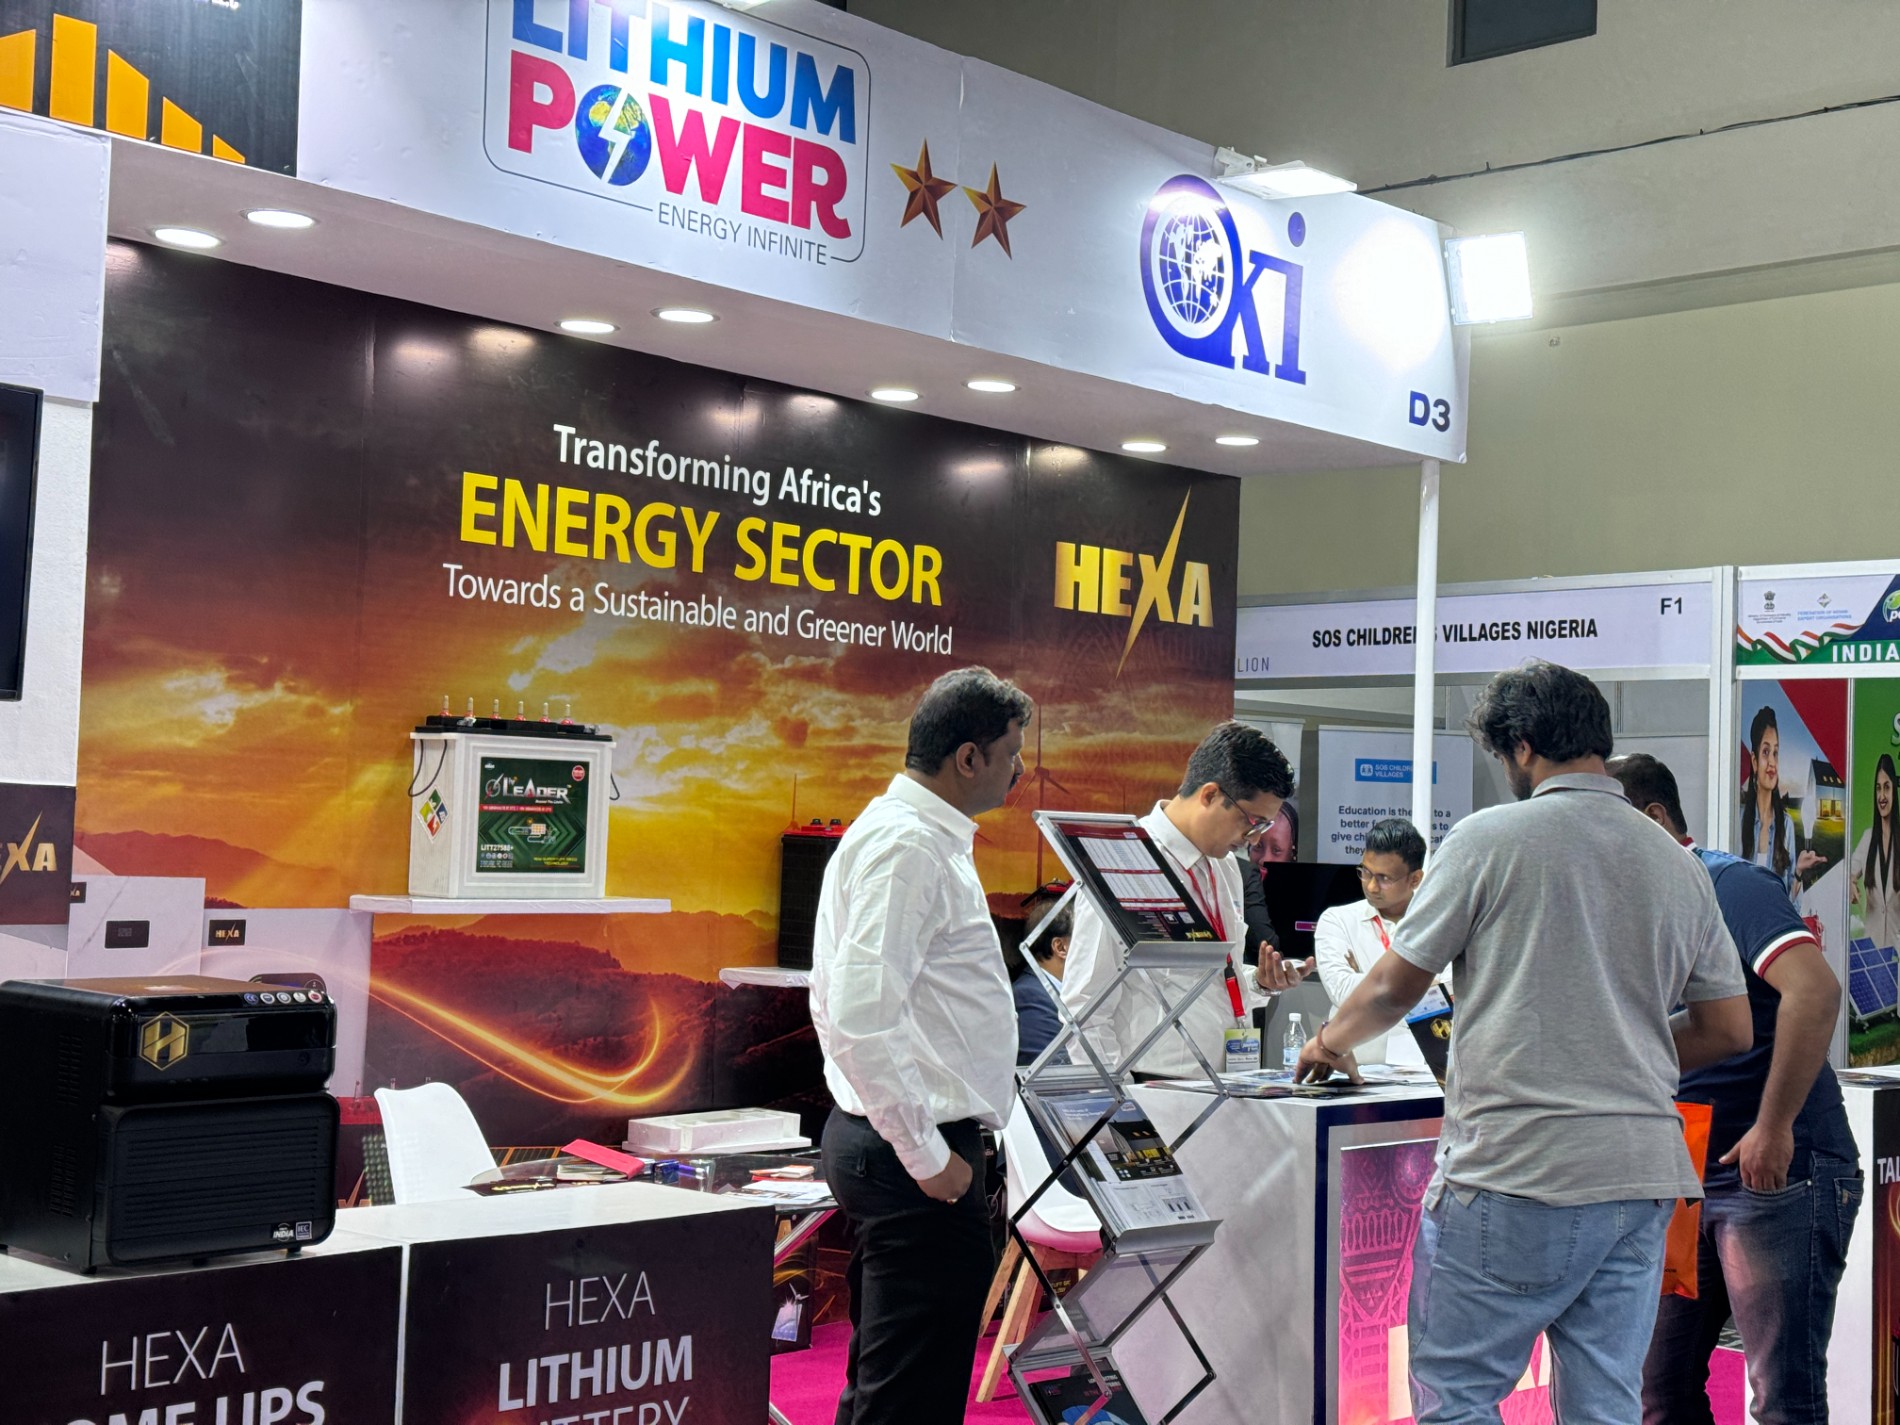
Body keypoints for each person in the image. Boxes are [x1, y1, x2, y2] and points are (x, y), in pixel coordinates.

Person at [1296, 660, 1751, 1425]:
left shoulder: (1487, 839)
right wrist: (1616, 1051)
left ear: (1524, 746)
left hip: (1516, 1165)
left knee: (1457, 1393)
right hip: (1641, 1173)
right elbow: (1729, 1026)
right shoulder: (1677, 864)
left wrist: (1326, 1042)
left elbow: (1393, 987)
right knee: (1605, 1404)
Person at [1609, 752, 1861, 1425]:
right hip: (1685, 1170)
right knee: (1657, 1390)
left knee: (1782, 1398)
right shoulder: (1630, 908)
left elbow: (1814, 992)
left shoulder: (1729, 883)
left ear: (1653, 818)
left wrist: (1773, 1127)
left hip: (1777, 1170)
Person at [810, 666, 1031, 1425]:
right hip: (912, 1153)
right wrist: (929, 1157)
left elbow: (844, 1003)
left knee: (893, 1387)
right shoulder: (909, 847)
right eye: (1011, 752)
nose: (1019, 770)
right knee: (910, 1397)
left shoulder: (917, 839)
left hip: (900, 1142)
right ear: (967, 757)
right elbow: (858, 1017)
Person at [1062, 721, 1308, 1079]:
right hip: (1151, 1085)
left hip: (1223, 1082)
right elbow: (1085, 1005)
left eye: (1264, 827)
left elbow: (1208, 979)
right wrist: (1120, 1100)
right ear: (1210, 795)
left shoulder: (1225, 866)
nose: (1254, 839)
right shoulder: (1128, 861)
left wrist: (1259, 982)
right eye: (1253, 822)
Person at [1313, 817, 1435, 1068]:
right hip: (1357, 1067)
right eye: (1365, 872)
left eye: (1384, 878)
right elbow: (1342, 992)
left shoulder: (1436, 924)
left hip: (1424, 1069)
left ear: (1415, 879)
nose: (1371, 886)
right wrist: (1419, 984)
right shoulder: (1338, 920)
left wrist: (1366, 980)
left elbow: (1451, 994)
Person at [1742, 704, 1826, 900]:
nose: (1772, 762)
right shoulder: (1739, 820)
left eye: (1775, 753)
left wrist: (1798, 872)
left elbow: (1790, 905)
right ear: (1754, 761)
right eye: (1765, 752)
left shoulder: (1786, 825)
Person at [1013, 883, 1072, 1065]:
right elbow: (1052, 1070)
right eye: (1084, 941)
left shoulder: (1061, 992)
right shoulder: (1029, 996)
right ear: (1060, 947)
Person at [1851, 752, 1900, 951]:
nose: (1882, 796)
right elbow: (1848, 873)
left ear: (1894, 791)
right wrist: (1850, 884)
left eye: (1887, 787)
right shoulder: (1867, 838)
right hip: (1871, 952)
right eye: (1878, 788)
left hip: (1897, 954)